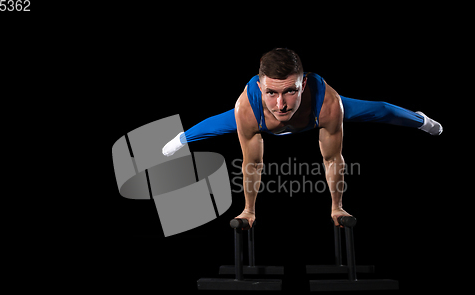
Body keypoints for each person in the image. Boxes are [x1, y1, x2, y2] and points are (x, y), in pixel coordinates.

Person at [162, 48, 442, 229]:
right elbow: (253, 164)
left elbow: (332, 158)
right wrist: (248, 211)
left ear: (303, 84)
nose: (281, 105)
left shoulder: (327, 103)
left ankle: (422, 120)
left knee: (379, 110)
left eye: (290, 92)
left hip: (314, 117)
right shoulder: (247, 107)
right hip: (259, 121)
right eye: (271, 93)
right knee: (215, 125)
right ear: (260, 87)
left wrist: (337, 207)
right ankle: (180, 138)